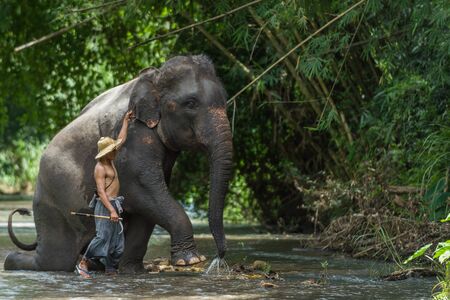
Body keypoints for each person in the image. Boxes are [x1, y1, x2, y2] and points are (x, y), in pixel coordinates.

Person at [76, 110, 134, 278]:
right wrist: (111, 210)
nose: (115, 150)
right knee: (102, 238)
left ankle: (111, 269)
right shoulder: (100, 168)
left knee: (118, 243)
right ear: (105, 152)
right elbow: (101, 192)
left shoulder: (110, 159)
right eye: (112, 149)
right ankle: (83, 262)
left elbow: (121, 140)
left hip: (114, 204)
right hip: (105, 206)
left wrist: (125, 121)